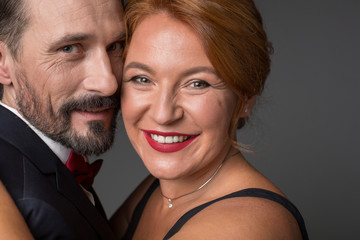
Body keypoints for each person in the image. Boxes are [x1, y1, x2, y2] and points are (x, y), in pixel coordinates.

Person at [110, 0, 308, 239]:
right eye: (142, 79)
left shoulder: (242, 229)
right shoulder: (159, 188)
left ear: (245, 97)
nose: (163, 114)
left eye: (197, 84)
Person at [0, 0, 125, 238]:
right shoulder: (24, 203)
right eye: (69, 48)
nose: (108, 83)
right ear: (2, 61)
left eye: (116, 46)